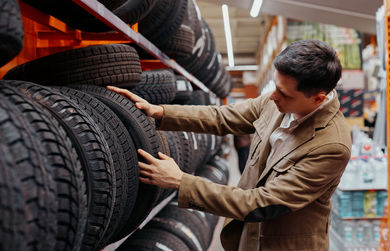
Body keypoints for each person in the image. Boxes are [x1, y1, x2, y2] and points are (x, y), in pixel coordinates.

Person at [108, 39, 352, 251]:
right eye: (275, 86)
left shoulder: (331, 145)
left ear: (318, 98)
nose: (272, 96)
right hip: (247, 234)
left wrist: (181, 182)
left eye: (284, 93)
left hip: (283, 243)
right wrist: (160, 112)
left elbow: (262, 203)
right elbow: (221, 117)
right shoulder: (274, 103)